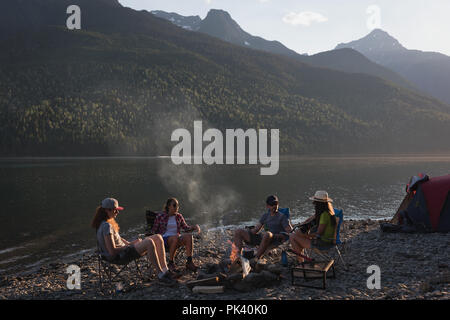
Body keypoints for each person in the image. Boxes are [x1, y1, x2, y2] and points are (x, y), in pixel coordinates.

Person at [91, 197, 177, 285]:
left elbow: (118, 239)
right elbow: (112, 251)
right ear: (106, 210)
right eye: (115, 210)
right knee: (149, 242)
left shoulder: (104, 223)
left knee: (158, 237)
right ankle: (160, 275)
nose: (117, 212)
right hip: (120, 256)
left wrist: (130, 243)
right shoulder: (106, 226)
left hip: (124, 250)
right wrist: (129, 246)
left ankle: (165, 271)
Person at [233, 195, 293, 261]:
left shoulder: (282, 217)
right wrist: (248, 230)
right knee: (238, 231)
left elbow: (289, 232)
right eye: (272, 204)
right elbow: (255, 230)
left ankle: (256, 258)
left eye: (276, 204)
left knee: (267, 234)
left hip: (273, 239)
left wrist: (278, 236)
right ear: (267, 206)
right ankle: (238, 256)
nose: (274, 206)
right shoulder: (265, 216)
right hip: (263, 238)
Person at [151, 198, 201, 272]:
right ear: (168, 206)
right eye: (174, 205)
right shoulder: (160, 216)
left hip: (176, 238)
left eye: (177, 206)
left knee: (189, 236)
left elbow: (186, 228)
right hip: (164, 239)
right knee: (176, 237)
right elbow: (154, 231)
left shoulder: (179, 216)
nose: (176, 207)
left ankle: (189, 262)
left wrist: (194, 227)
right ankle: (171, 263)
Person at [289, 190, 337, 262]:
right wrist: (304, 224)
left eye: (315, 202)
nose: (313, 204)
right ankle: (302, 261)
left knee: (292, 236)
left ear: (318, 204)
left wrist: (305, 236)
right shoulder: (328, 211)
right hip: (327, 240)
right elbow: (311, 218)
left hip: (323, 244)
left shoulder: (324, 215)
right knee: (296, 235)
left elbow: (318, 234)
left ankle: (301, 262)